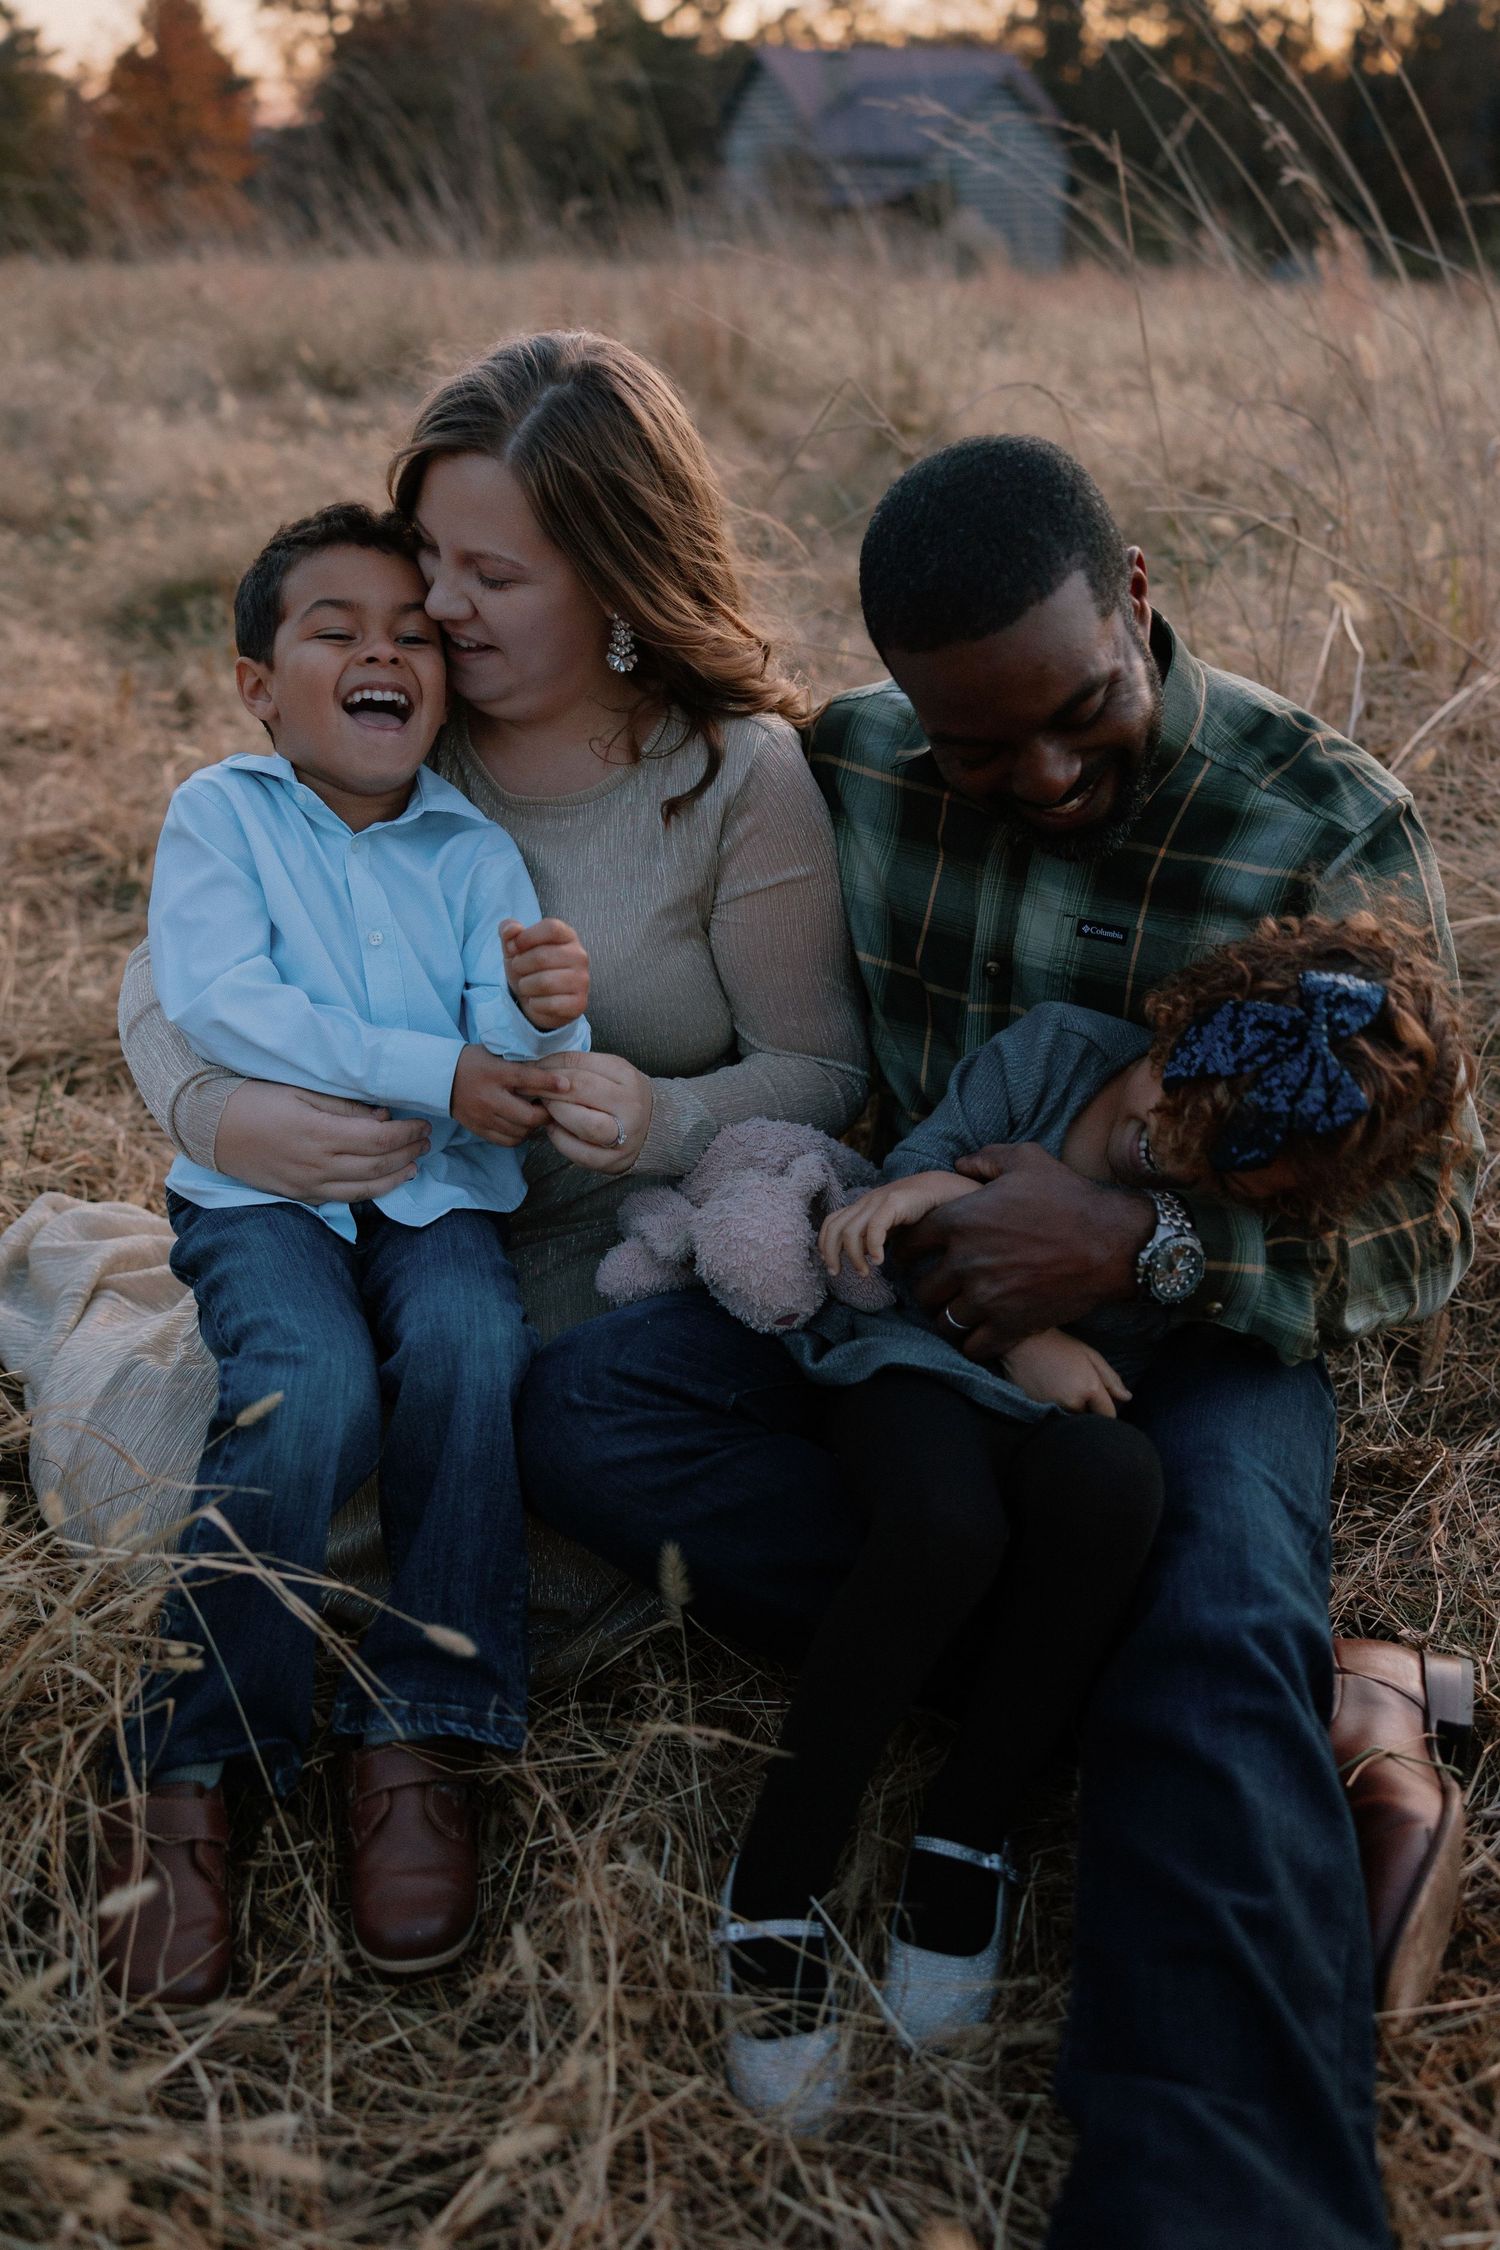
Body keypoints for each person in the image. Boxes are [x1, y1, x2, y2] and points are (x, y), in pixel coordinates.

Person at [518, 436, 1480, 2248]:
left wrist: (1144, 1242)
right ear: (906, 698)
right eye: (980, 745)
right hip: (910, 1295)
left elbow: (1435, 1220)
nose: (1041, 772)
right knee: (585, 1413)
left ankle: (1217, 2196)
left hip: (1188, 1342)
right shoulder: (851, 768)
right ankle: (1275, 1700)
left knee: (1200, 1607)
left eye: (1084, 711)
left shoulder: (1323, 820)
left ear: (1136, 599)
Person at [36, 328, 863, 1627]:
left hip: (593, 1260)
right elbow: (180, 960)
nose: (439, 605)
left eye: (494, 575)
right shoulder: (396, 718)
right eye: (429, 556)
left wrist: (662, 1115)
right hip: (357, 1226)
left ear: (617, 579)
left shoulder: (733, 777)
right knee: (173, 1490)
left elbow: (822, 1068)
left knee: (482, 1491)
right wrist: (220, 1113)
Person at [713, 912, 1472, 2134]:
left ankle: (966, 1835)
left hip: (1063, 1419)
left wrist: (1075, 1320)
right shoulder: (1057, 1054)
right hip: (913, 1364)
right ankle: (776, 1882)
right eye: (1171, 1105)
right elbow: (883, 1226)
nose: (1160, 1151)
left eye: (1208, 1173)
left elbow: (1175, 1316)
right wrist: (1013, 1321)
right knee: (946, 1530)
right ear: (1181, 1026)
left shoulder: (1214, 1195)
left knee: (1121, 1486)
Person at [99, 502, 594, 2008]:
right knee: (306, 1386)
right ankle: (194, 1761)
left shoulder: (476, 851)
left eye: (410, 634)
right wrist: (433, 1070)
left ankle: (422, 1730)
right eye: (337, 631)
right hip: (262, 1198)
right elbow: (220, 1001)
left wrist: (547, 1014)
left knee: (470, 1346)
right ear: (259, 684)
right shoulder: (222, 816)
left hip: (440, 1198)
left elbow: (511, 1061)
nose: (385, 652)